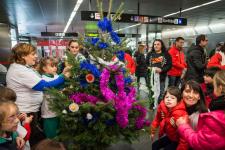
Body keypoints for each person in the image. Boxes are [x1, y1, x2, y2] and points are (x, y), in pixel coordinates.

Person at [6, 43, 70, 146]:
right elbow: (44, 86)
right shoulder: (19, 70)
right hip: (25, 112)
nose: (36, 56)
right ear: (23, 55)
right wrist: (63, 76)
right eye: (33, 54)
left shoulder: (25, 68)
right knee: (30, 142)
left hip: (30, 110)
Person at [176, 70, 225, 149]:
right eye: (187, 91)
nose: (191, 95)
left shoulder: (202, 115)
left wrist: (182, 125)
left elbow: (198, 142)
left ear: (199, 96)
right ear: (181, 93)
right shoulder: (176, 107)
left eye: (195, 92)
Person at [38, 57, 59, 138]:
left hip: (58, 109)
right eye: (52, 66)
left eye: (55, 66)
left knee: (57, 132)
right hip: (49, 112)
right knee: (50, 134)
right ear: (44, 68)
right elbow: (51, 85)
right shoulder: (43, 79)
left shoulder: (56, 75)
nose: (55, 68)